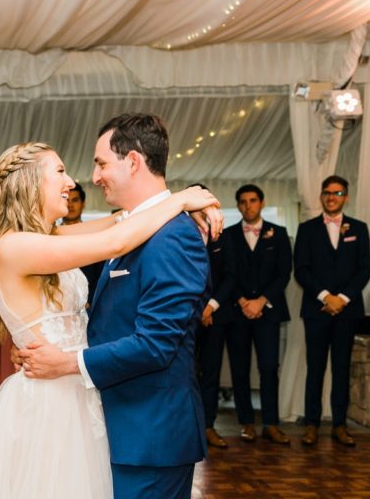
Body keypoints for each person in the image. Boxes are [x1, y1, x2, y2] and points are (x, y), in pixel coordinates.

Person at [0, 133, 219, 499]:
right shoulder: (14, 247)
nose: (72, 182)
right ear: (30, 182)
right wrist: (182, 198)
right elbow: (117, 242)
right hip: (50, 405)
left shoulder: (51, 237)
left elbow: (123, 221)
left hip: (80, 392)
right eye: (59, 172)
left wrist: (187, 209)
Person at [18, 113, 222, 499]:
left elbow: (155, 344)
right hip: (116, 427)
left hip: (150, 435)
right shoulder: (131, 227)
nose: (93, 177)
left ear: (132, 161)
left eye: (101, 163)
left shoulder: (173, 236)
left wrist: (65, 362)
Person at [293, 177, 370, 447]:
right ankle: (312, 425)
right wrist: (326, 297)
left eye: (337, 193)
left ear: (346, 196)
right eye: (327, 192)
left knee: (341, 369)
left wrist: (343, 299)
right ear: (321, 196)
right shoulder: (307, 229)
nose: (331, 197)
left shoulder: (359, 229)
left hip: (347, 311)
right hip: (317, 309)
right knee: (315, 369)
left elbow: (364, 270)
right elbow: (301, 269)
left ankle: (339, 425)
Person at [224, 184, 292, 444]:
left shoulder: (279, 234)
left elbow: (284, 273)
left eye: (253, 200)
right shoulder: (228, 235)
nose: (248, 205)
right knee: (239, 369)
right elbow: (228, 273)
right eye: (243, 201)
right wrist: (242, 301)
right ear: (238, 205)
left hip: (268, 312)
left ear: (261, 203)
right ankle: (246, 422)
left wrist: (261, 301)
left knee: (268, 367)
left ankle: (271, 423)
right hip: (237, 312)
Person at [195, 185, 236, 450]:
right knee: (185, 374)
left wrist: (210, 307)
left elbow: (231, 275)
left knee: (210, 374)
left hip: (216, 316)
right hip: (186, 317)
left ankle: (209, 426)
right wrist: (197, 308)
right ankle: (187, 427)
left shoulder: (225, 236)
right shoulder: (178, 233)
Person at [63, 182, 105, 306]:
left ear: (83, 204)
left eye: (75, 200)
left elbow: (101, 274)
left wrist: (91, 300)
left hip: (90, 306)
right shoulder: (49, 237)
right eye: (67, 200)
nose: (70, 205)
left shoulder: (95, 236)